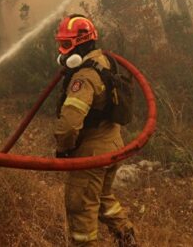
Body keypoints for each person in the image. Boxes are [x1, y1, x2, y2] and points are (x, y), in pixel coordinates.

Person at [54, 14, 137, 247]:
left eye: (67, 45)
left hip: (91, 155)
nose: (63, 51)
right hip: (112, 145)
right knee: (102, 198)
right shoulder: (104, 61)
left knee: (80, 206)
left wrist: (64, 148)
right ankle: (127, 237)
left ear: (82, 44)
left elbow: (70, 124)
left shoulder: (84, 77)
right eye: (61, 44)